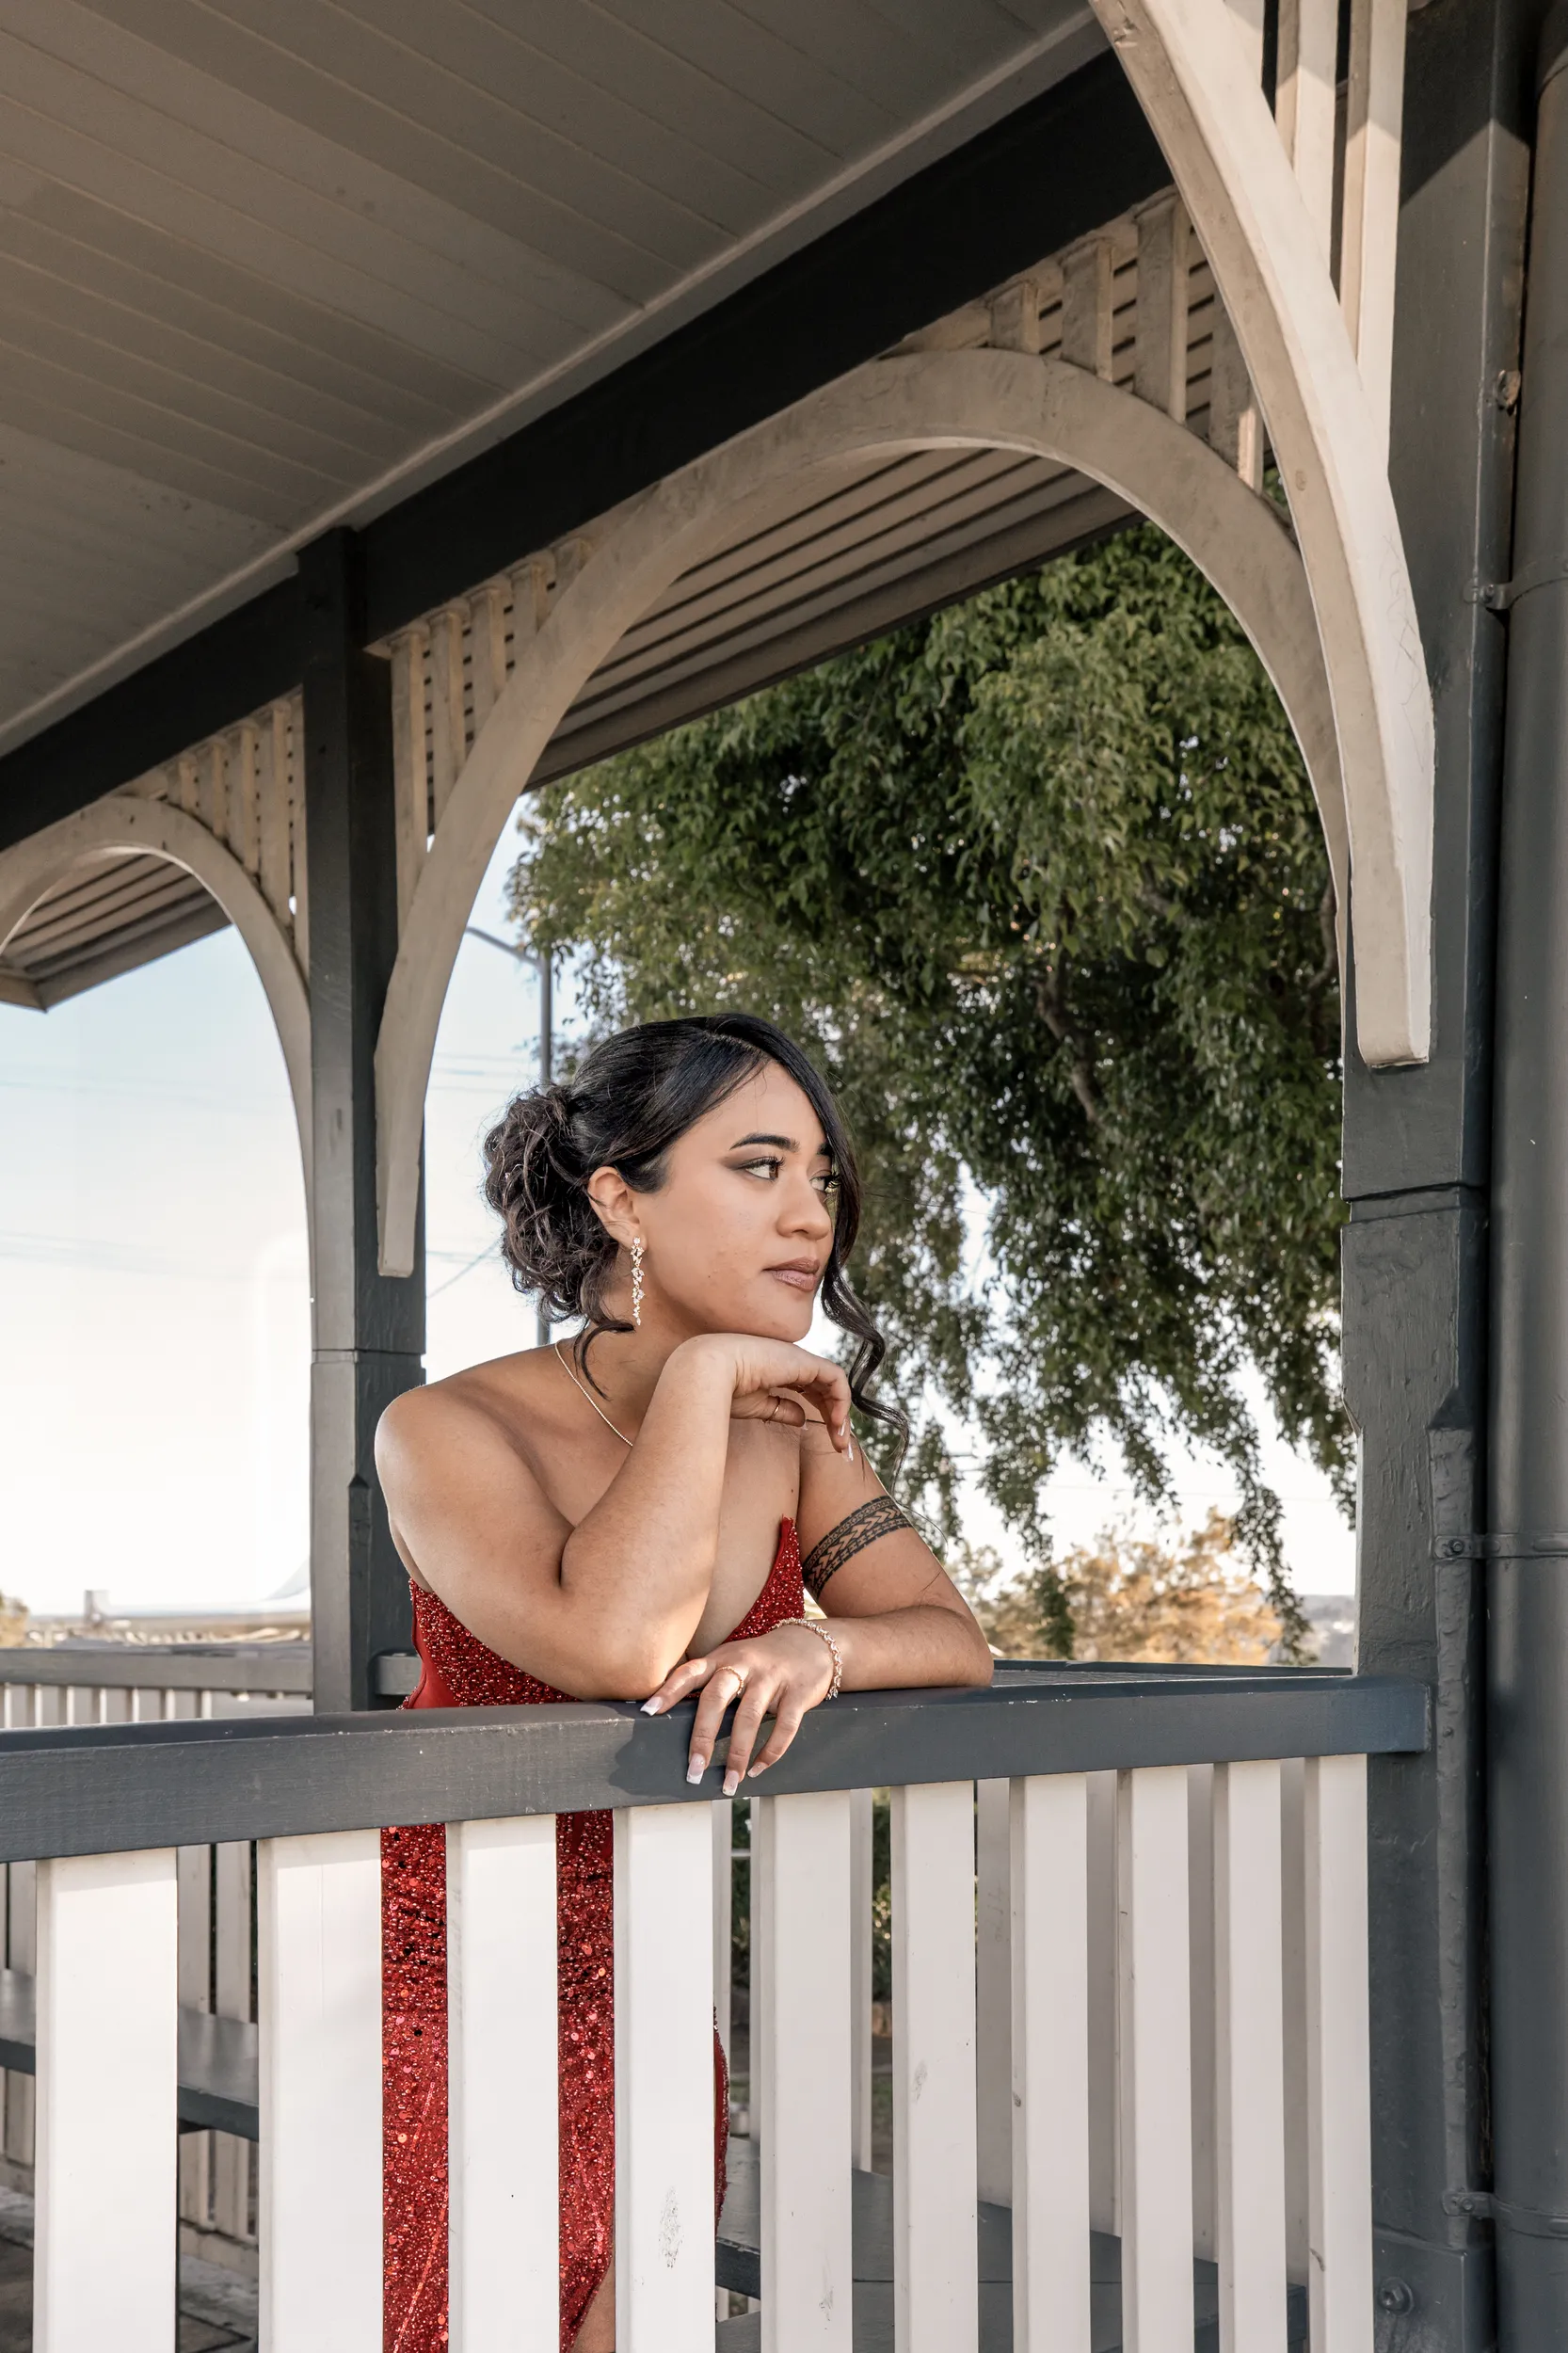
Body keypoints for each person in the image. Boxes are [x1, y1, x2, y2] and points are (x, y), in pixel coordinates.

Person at [375, 1013, 993, 2353]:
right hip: (445, 1972)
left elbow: (949, 1635)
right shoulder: (443, 1427)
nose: (810, 1217)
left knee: (634, 2311)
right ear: (620, 1201)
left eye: (820, 1175)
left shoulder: (794, 1434)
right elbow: (616, 1648)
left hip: (652, 1963)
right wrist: (703, 1376)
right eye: (759, 1167)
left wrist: (811, 1649)